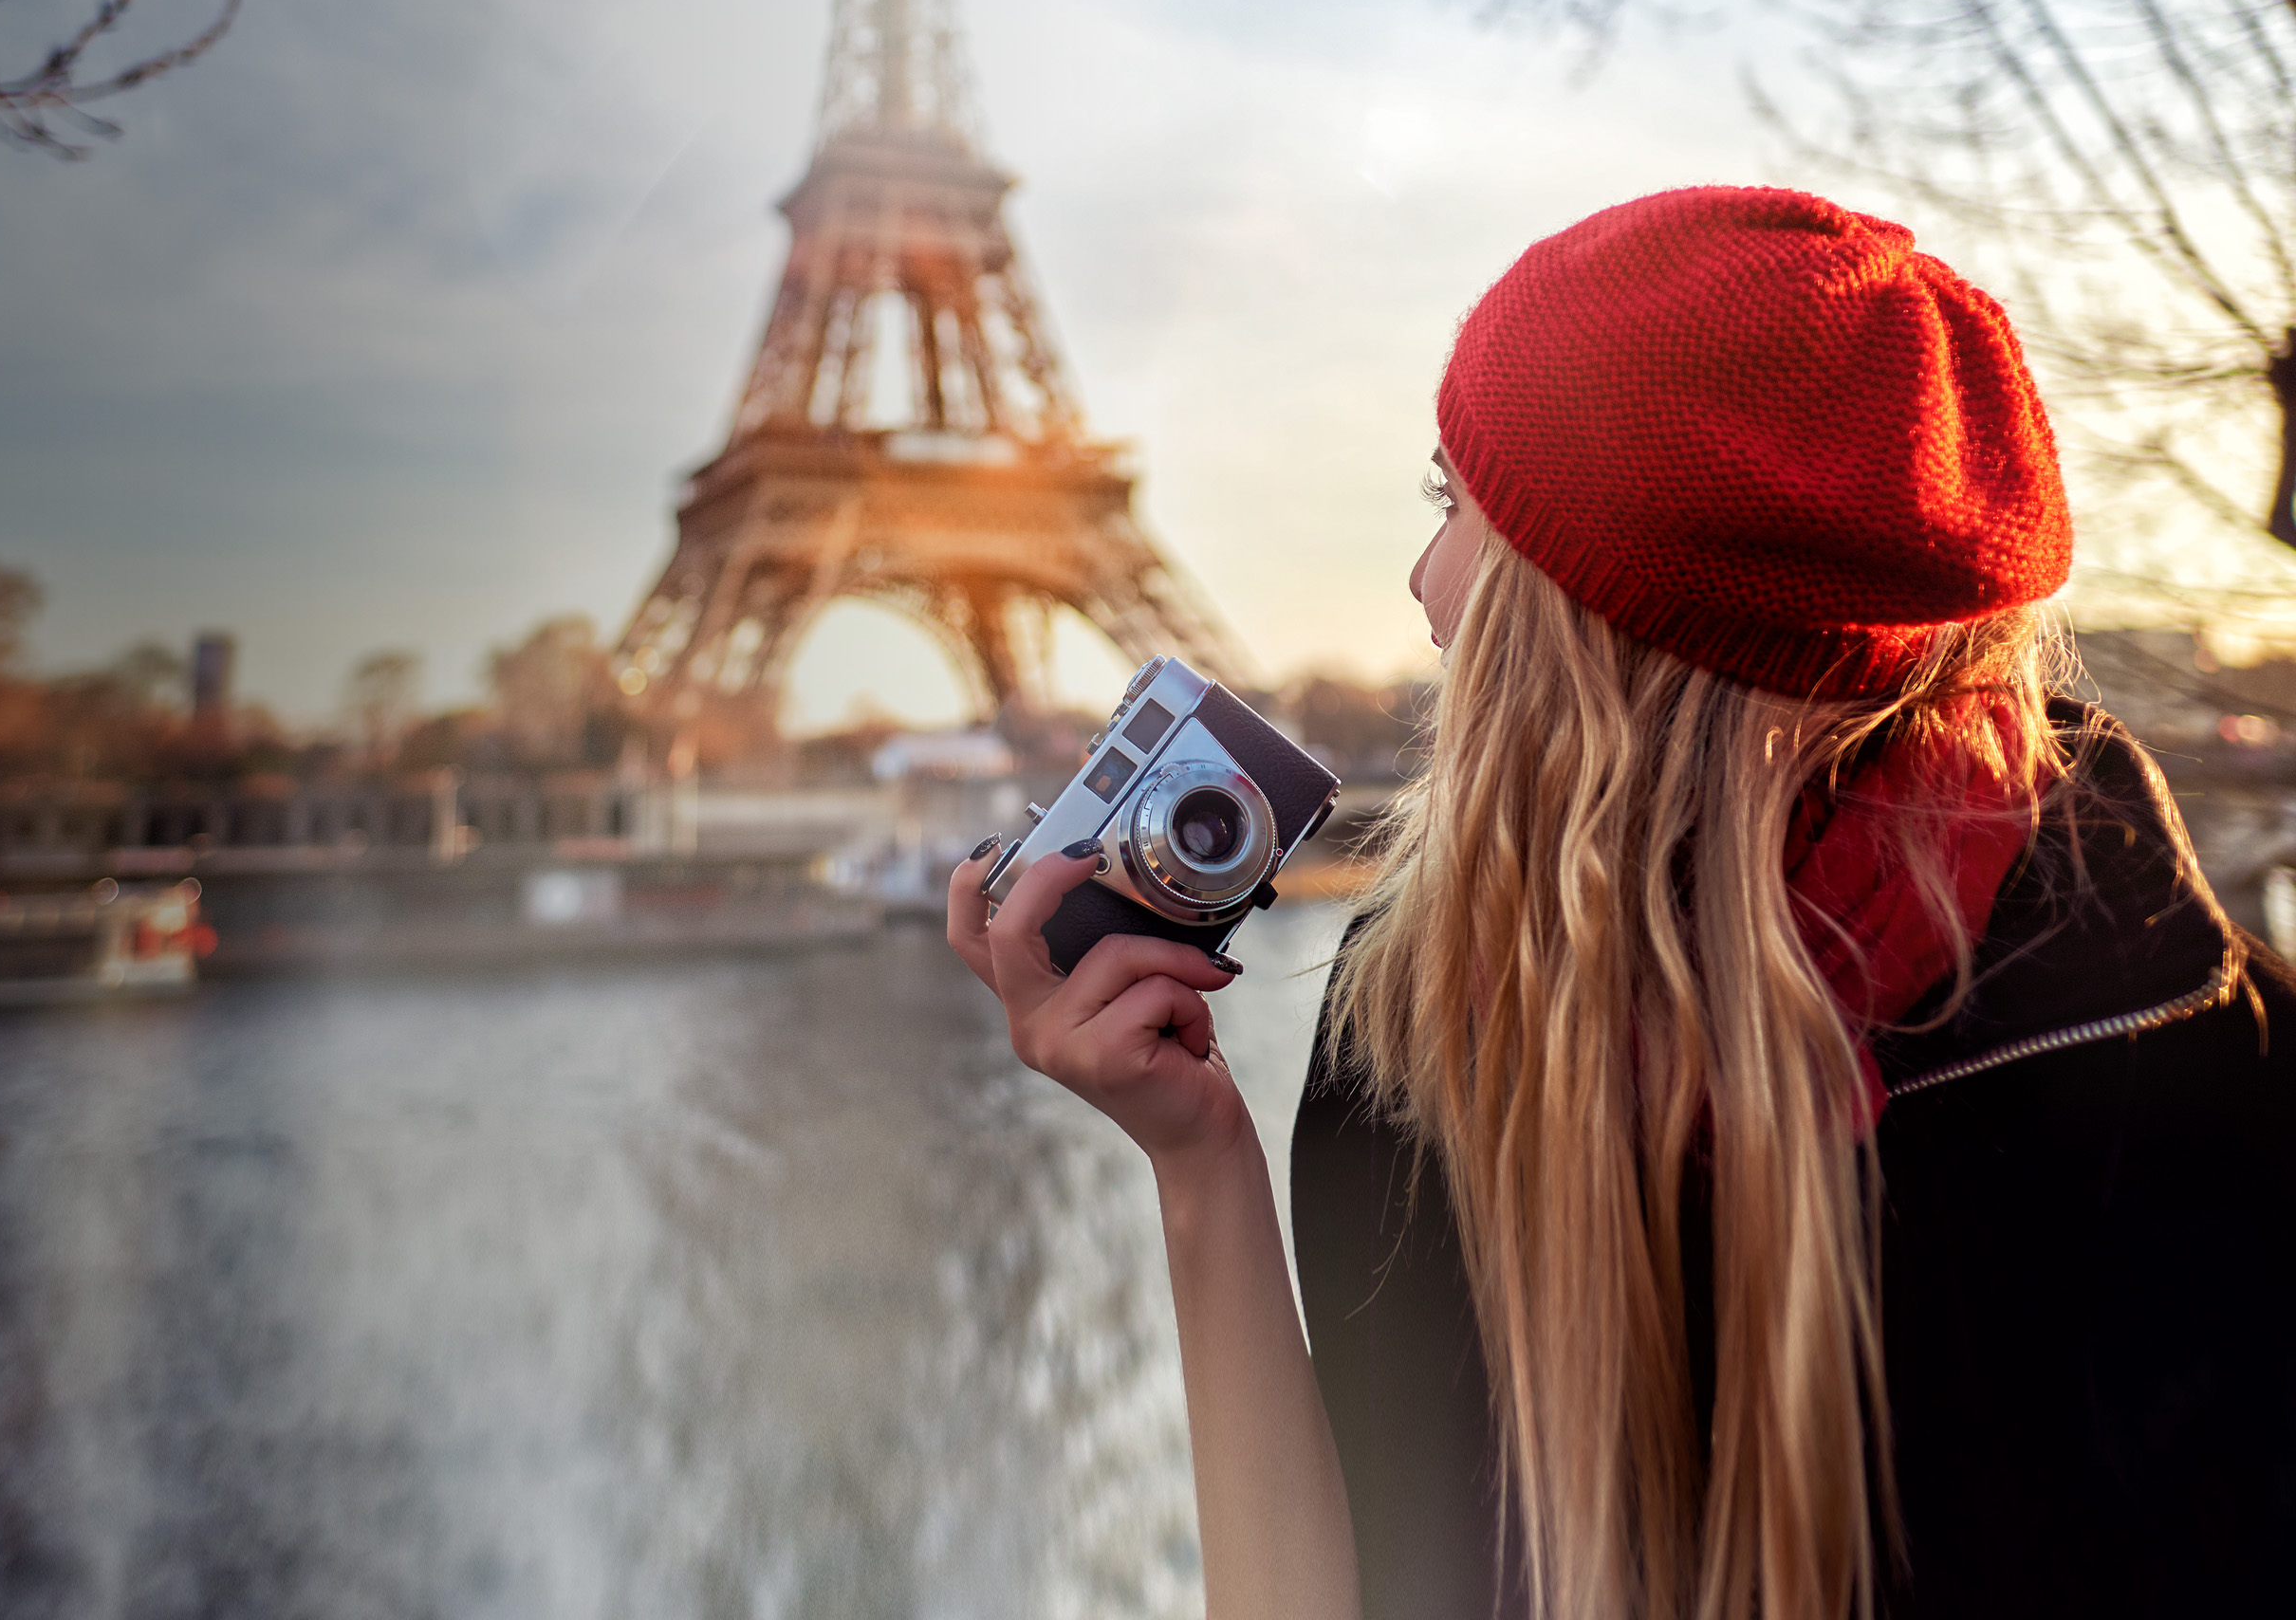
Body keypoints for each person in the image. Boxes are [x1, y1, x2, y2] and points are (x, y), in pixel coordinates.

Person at [947, 186, 2296, 1620]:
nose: (1425, 587)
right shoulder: (2222, 1066)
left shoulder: (1431, 1043)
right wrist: (1198, 1163)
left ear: (1595, 619)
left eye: (1457, 507)